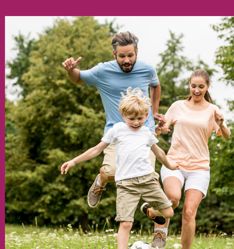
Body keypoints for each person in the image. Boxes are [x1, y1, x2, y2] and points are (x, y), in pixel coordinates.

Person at [61, 87, 178, 249]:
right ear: (123, 115)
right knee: (125, 223)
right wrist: (74, 161)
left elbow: (160, 153)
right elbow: (96, 149)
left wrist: (171, 165)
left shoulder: (147, 133)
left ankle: (149, 210)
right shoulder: (117, 130)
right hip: (126, 184)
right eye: (132, 119)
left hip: (147, 181)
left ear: (146, 115)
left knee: (169, 212)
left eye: (140, 118)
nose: (136, 122)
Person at [61, 31, 165, 208]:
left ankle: (159, 233)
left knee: (151, 180)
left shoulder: (147, 69)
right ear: (114, 54)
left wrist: (153, 112)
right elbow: (77, 78)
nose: (126, 60)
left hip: (144, 132)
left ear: (137, 52)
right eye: (122, 56)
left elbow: (155, 84)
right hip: (116, 135)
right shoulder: (103, 71)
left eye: (130, 55)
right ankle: (101, 179)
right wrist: (70, 70)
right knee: (112, 173)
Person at [150, 69, 230, 249]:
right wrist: (160, 128)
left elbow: (226, 136)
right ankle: (159, 227)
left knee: (188, 212)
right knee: (173, 197)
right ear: (189, 86)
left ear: (207, 87)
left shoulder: (213, 111)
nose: (196, 90)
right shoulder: (178, 106)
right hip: (174, 162)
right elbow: (159, 130)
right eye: (193, 86)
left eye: (201, 86)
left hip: (200, 168)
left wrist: (222, 123)